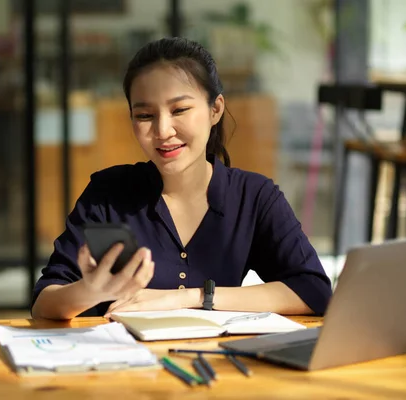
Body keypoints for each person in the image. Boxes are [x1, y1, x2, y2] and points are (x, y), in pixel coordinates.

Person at [31, 37, 332, 320]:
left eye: (180, 110)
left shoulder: (254, 197)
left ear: (215, 109)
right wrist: (89, 292)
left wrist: (189, 298)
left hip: (216, 367)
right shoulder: (108, 194)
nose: (163, 131)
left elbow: (314, 291)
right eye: (145, 115)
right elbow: (44, 302)